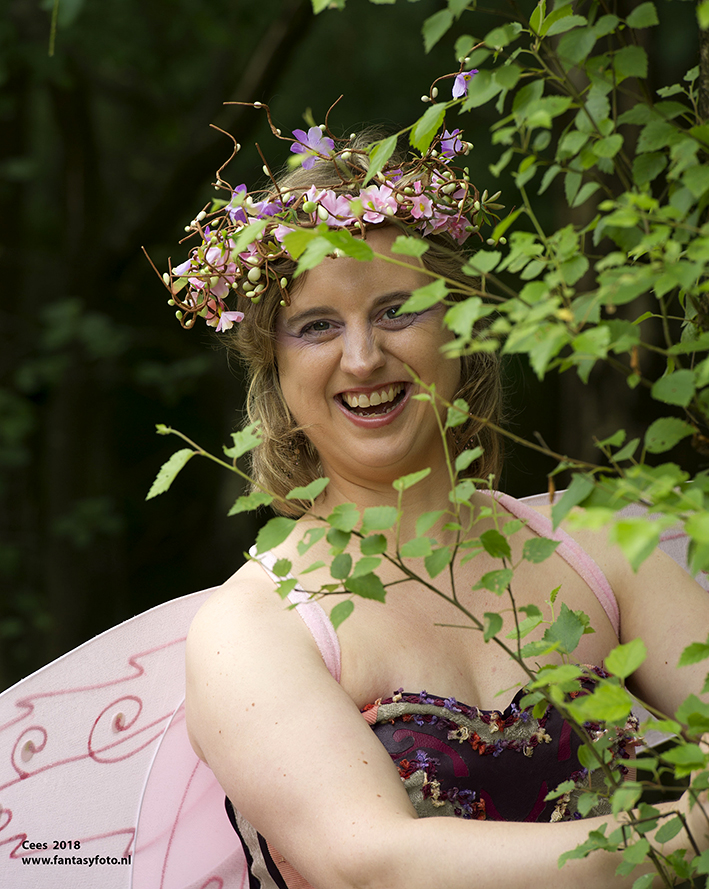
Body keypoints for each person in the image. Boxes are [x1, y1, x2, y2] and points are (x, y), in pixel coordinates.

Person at [175, 117, 709, 889]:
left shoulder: (596, 547)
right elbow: (377, 865)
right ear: (276, 368)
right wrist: (684, 832)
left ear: (458, 324)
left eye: (397, 309)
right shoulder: (254, 628)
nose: (363, 357)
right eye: (317, 326)